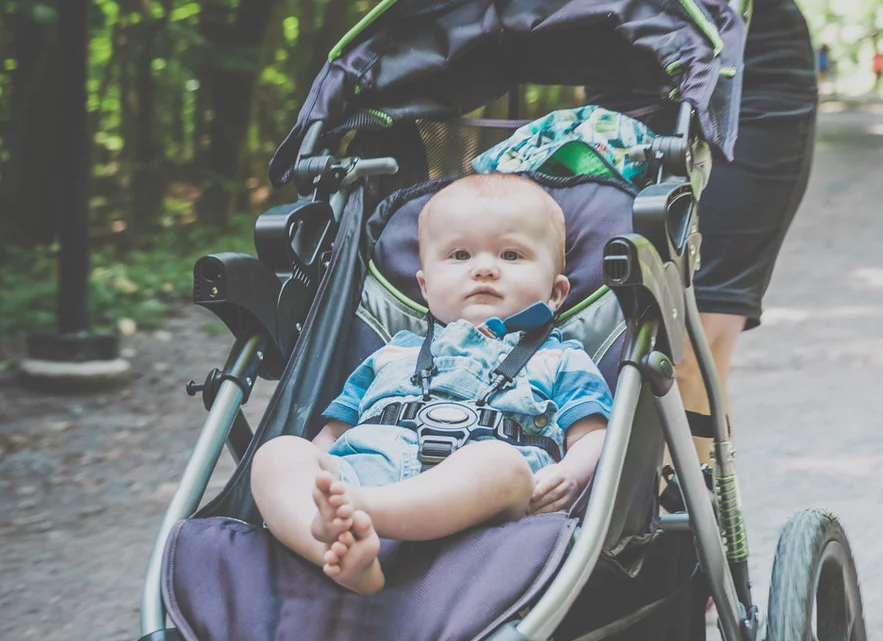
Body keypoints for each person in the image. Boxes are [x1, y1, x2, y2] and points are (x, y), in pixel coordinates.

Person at [476, 0, 866, 452]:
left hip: (751, 67)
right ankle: (626, 527)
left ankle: (684, 547)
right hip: (626, 60)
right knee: (626, 316)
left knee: (695, 334)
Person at [249, 175, 613, 595]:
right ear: (424, 287)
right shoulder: (390, 354)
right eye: (459, 255)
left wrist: (569, 472)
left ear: (555, 293)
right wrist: (311, 477)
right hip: (365, 471)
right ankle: (336, 549)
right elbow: (333, 433)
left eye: (511, 255)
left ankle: (360, 516)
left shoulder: (561, 358)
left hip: (478, 502)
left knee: (502, 465)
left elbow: (595, 435)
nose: (484, 268)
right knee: (278, 455)